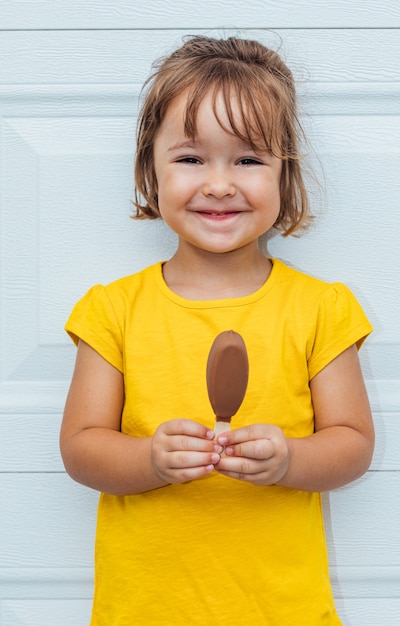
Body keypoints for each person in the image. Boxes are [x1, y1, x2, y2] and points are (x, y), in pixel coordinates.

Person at [60, 35, 374, 625]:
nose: (220, 183)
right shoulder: (112, 310)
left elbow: (352, 443)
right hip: (144, 611)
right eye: (190, 158)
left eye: (249, 159)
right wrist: (149, 462)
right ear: (149, 171)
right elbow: (81, 448)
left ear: (286, 173)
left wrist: (290, 461)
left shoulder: (321, 308)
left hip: (284, 610)